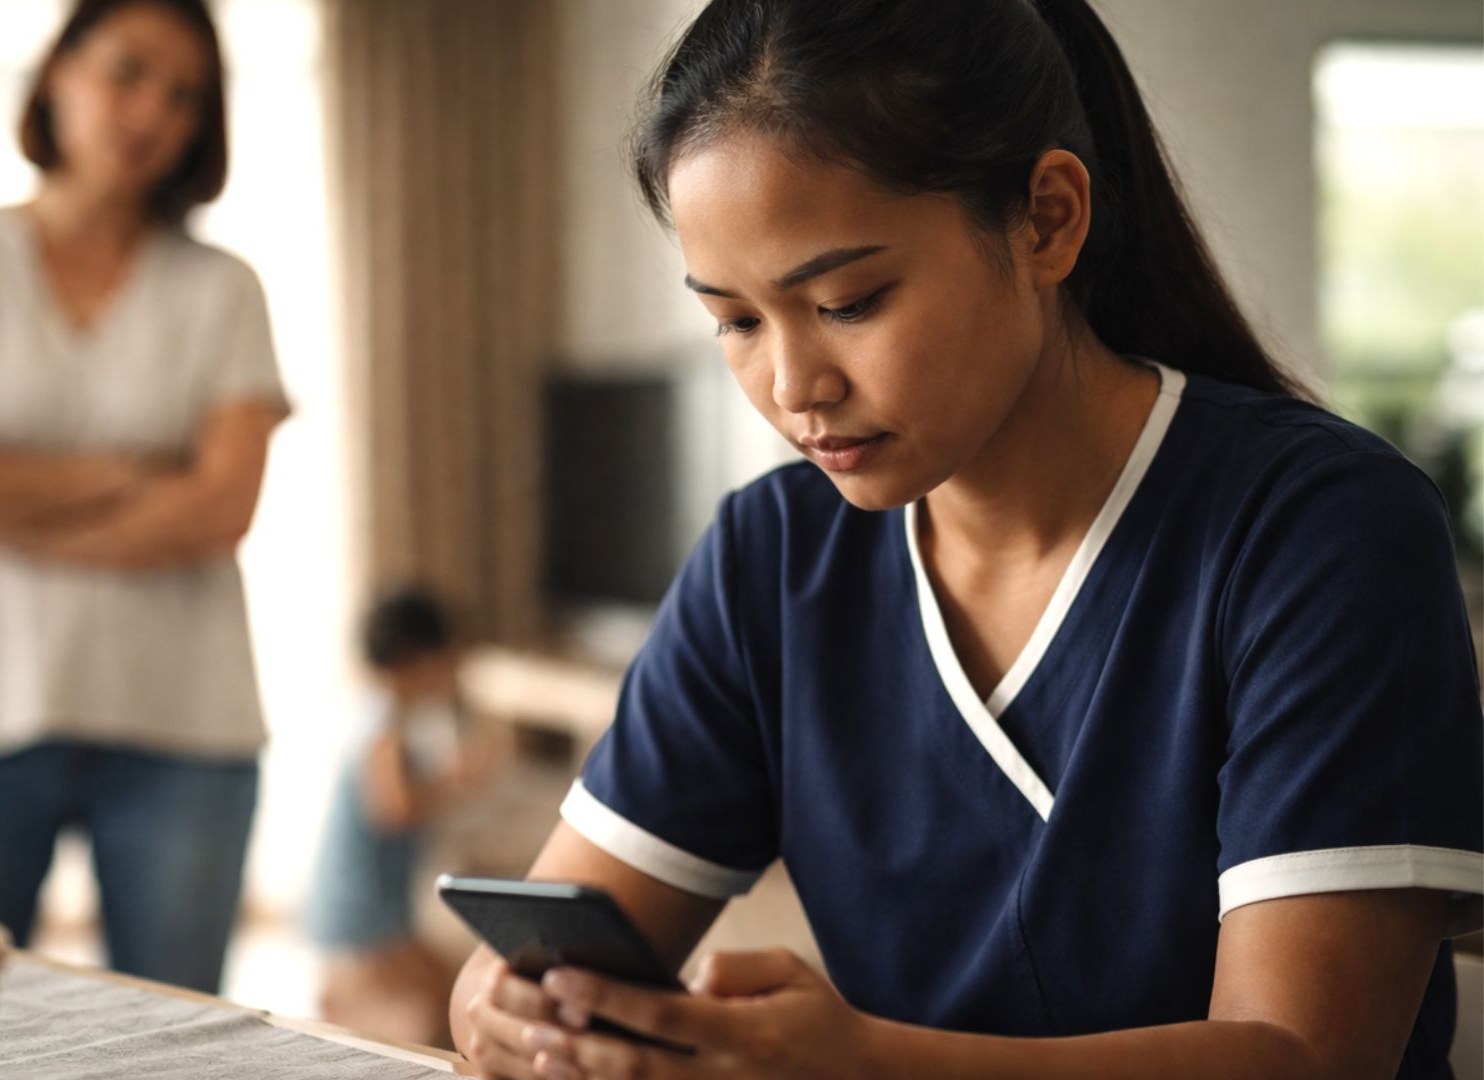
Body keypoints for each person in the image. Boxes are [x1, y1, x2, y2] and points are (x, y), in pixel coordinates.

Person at [449, 1, 1484, 1077]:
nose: (794, 387)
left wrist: (867, 1066)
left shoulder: (1323, 531)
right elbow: (531, 950)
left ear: (1047, 221)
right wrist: (507, 1008)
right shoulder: (773, 560)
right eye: (738, 321)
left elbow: (1305, 1058)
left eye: (849, 302)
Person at [0, 0, 288, 995]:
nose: (153, 113)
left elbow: (221, 510)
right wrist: (126, 475)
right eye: (129, 72)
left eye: (186, 96)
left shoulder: (224, 289)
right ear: (59, 73)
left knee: (174, 1040)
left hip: (185, 717)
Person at [309, 588, 490, 1047]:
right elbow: (393, 809)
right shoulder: (381, 721)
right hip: (361, 910)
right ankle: (341, 1003)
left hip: (381, 907)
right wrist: (454, 780)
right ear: (419, 658)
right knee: (433, 1017)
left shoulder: (383, 712)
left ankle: (346, 1000)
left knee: (449, 989)